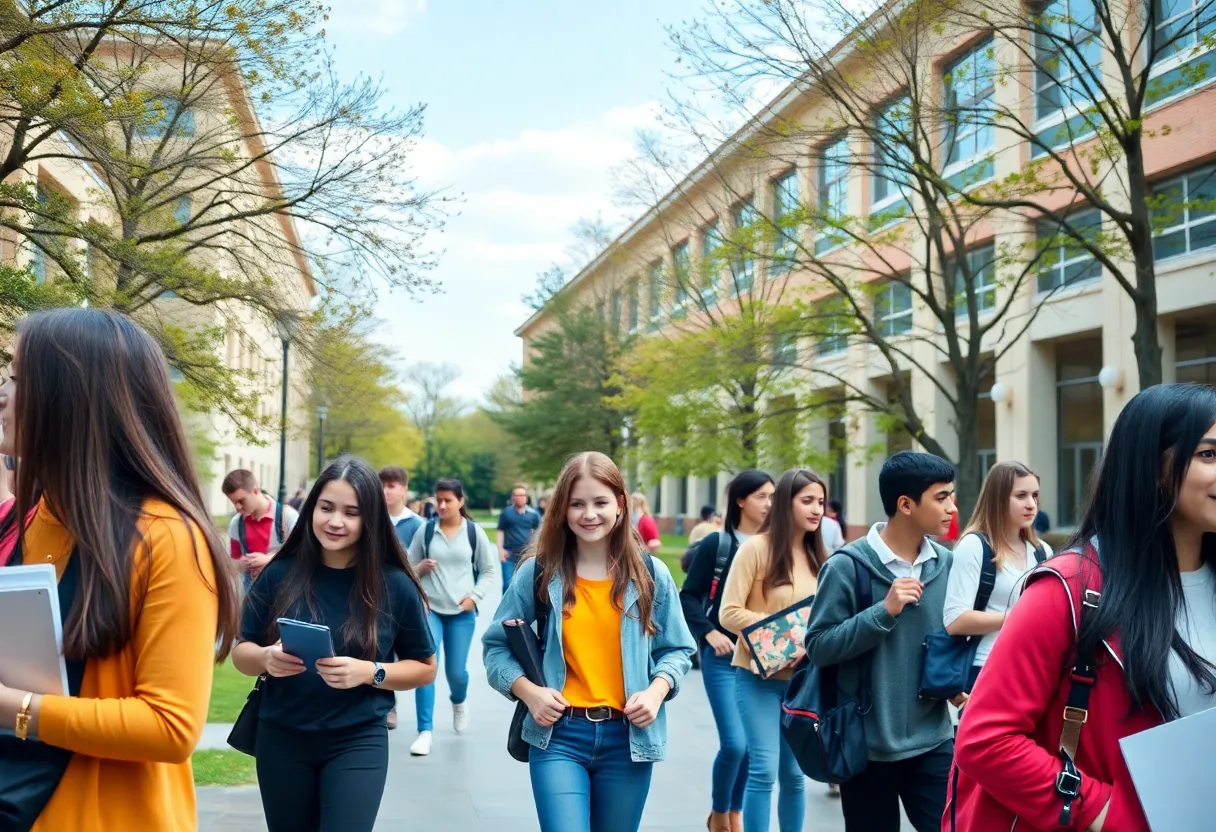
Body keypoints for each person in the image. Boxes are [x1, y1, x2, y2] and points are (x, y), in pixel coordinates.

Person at [0, 308, 239, 830]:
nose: (2, 395)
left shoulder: (167, 536)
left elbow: (170, 726)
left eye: (18, 379)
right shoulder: (34, 516)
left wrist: (14, 708)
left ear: (71, 399)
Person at [951, 384, 1216, 832]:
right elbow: (985, 740)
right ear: (1152, 466)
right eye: (1208, 454)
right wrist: (1104, 812)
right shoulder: (1069, 588)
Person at [483, 451, 696, 832]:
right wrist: (529, 693)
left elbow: (678, 649)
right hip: (559, 736)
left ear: (620, 504)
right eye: (577, 504)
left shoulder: (651, 574)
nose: (589, 514)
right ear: (562, 509)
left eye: (600, 502)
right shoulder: (538, 572)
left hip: (628, 739)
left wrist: (656, 692)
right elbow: (496, 647)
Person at [232, 456, 437, 832]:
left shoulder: (394, 584)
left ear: (370, 519)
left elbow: (425, 668)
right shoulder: (279, 574)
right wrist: (265, 658)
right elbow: (240, 653)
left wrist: (370, 672)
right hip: (282, 737)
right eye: (326, 508)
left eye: (351, 512)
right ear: (312, 508)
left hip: (357, 739)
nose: (335, 521)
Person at [805, 450, 959, 832]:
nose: (952, 508)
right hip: (865, 746)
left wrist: (956, 687)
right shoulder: (847, 566)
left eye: (951, 496)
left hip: (934, 739)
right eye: (941, 497)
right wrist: (883, 611)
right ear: (905, 504)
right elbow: (819, 646)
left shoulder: (946, 563)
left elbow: (947, 641)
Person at [718, 468, 826, 832]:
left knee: (795, 776)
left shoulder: (819, 556)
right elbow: (728, 612)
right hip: (757, 679)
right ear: (785, 503)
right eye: (807, 501)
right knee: (763, 769)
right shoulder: (755, 548)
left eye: (821, 502)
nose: (817, 509)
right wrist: (785, 631)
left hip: (803, 684)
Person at [680, 469, 776, 832]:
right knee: (735, 744)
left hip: (762, 659)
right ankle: (720, 811)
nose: (769, 504)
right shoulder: (717, 545)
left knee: (754, 745)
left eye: (773, 497)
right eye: (761, 496)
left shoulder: (778, 546)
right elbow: (689, 596)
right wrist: (708, 634)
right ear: (740, 500)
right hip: (722, 658)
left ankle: (735, 812)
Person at [942, 461, 1053, 694]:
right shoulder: (974, 546)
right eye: (1021, 496)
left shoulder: (1042, 551)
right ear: (998, 498)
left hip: (1035, 669)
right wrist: (1016, 617)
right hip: (987, 667)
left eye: (1035, 495)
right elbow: (955, 620)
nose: (1031, 504)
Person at [406, 477, 498, 756]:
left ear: (461, 501)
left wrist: (474, 597)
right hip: (430, 611)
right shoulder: (426, 531)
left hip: (461, 613)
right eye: (439, 500)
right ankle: (425, 731)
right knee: (426, 668)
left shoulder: (473, 532)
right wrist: (420, 569)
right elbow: (407, 567)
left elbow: (488, 571)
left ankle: (459, 701)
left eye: (448, 500)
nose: (442, 505)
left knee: (456, 672)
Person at [379, 465, 423, 730]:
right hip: (374, 595)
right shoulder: (372, 520)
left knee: (402, 651)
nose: (386, 491)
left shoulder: (417, 525)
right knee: (381, 649)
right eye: (382, 485)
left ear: (404, 489)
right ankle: (388, 705)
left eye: (391, 486)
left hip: (402, 597)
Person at [222, 469, 299, 587]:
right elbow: (231, 562)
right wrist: (241, 564)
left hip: (284, 589)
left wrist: (270, 559)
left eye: (241, 501)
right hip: (251, 590)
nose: (237, 507)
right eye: (234, 502)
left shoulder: (287, 516)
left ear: (255, 491)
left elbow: (302, 554)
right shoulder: (236, 523)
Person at [497, 483, 541, 591]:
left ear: (526, 497)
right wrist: (500, 549)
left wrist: (535, 550)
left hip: (526, 556)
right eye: (516, 495)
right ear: (513, 497)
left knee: (525, 586)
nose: (519, 498)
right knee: (508, 585)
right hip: (509, 555)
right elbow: (500, 531)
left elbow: (538, 533)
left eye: (522, 495)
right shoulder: (506, 513)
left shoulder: (533, 514)